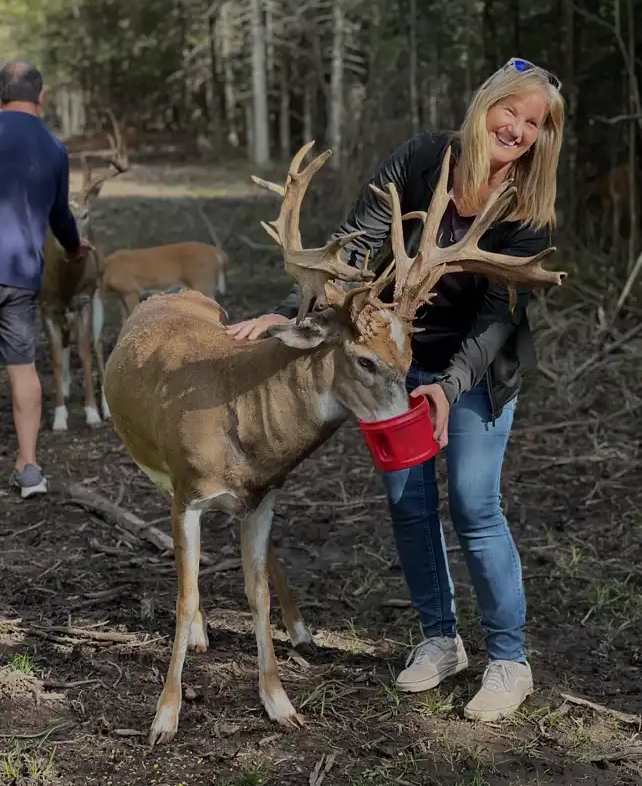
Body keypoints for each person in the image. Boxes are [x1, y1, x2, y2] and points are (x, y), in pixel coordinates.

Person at [226, 57, 565, 722]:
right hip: (394, 359)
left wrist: (449, 386)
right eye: (511, 112)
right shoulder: (421, 158)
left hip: (478, 373)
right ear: (486, 104)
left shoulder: (530, 205)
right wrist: (290, 313)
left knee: (473, 501)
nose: (518, 129)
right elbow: (353, 248)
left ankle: (508, 658)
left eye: (535, 124)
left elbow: (500, 315)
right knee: (408, 502)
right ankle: (440, 639)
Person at [0, 60, 92, 498]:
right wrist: (74, 248)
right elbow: (61, 215)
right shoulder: (54, 149)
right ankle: (30, 467)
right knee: (22, 368)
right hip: (19, 274)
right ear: (40, 97)